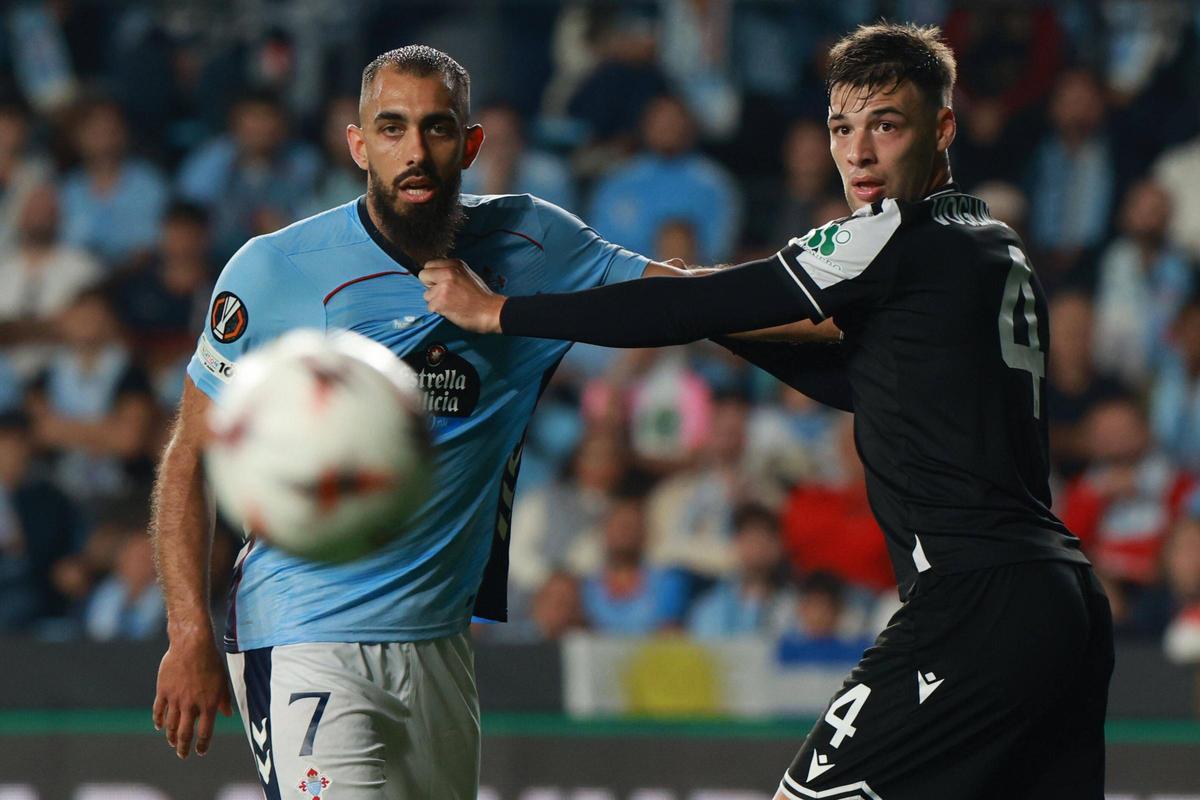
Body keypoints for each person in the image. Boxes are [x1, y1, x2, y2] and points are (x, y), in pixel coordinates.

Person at [425, 23, 1114, 798]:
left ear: (942, 127)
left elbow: (694, 305)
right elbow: (863, 382)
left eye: (885, 124)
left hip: (973, 602)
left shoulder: (887, 235)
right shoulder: (993, 243)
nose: (857, 153)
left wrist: (501, 313)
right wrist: (713, 311)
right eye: (840, 127)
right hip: (1064, 600)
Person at [150, 45, 805, 799]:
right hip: (302, 636)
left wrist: (830, 303)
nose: (414, 151)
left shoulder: (535, 247)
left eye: (435, 128)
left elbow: (692, 299)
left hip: (439, 646)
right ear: (358, 144)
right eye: (390, 129)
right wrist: (189, 631)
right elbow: (189, 456)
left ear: (471, 143)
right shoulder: (273, 271)